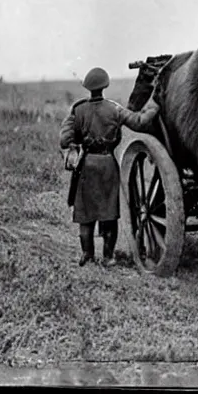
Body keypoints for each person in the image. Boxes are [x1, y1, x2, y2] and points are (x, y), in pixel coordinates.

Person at [60, 66, 160, 267]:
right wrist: (154, 105)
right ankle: (108, 257)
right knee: (109, 214)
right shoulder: (114, 109)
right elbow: (139, 122)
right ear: (105, 86)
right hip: (107, 165)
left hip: (86, 166)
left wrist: (74, 143)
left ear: (88, 88)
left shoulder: (78, 110)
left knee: (85, 215)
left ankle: (87, 255)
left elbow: (64, 139)